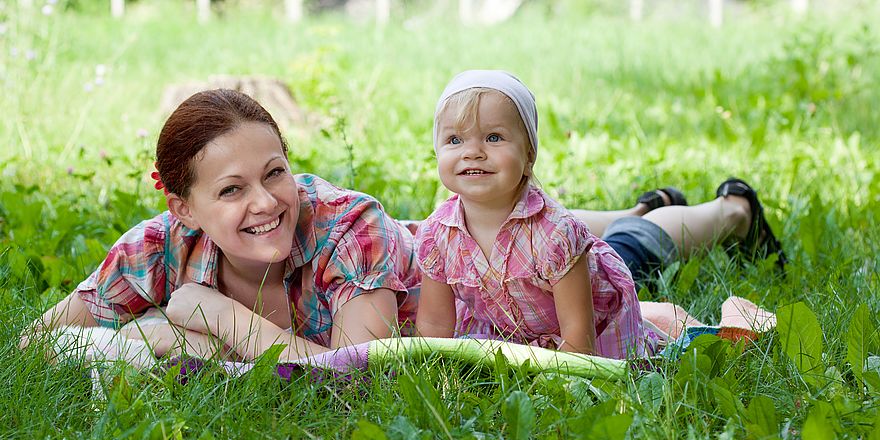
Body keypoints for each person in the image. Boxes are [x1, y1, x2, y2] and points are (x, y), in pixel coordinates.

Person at [25, 89, 420, 362]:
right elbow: (35, 344)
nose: (266, 202)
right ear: (185, 210)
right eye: (232, 190)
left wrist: (220, 320)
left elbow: (363, 377)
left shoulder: (352, 229)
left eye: (275, 173)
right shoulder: (158, 248)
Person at [414, 70, 785, 359]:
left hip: (595, 328)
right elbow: (433, 323)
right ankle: (654, 217)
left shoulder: (556, 234)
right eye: (454, 140)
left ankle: (737, 320)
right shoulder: (437, 234)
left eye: (494, 138)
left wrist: (561, 385)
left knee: (676, 359)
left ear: (528, 157)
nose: (473, 152)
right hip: (518, 336)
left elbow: (580, 339)